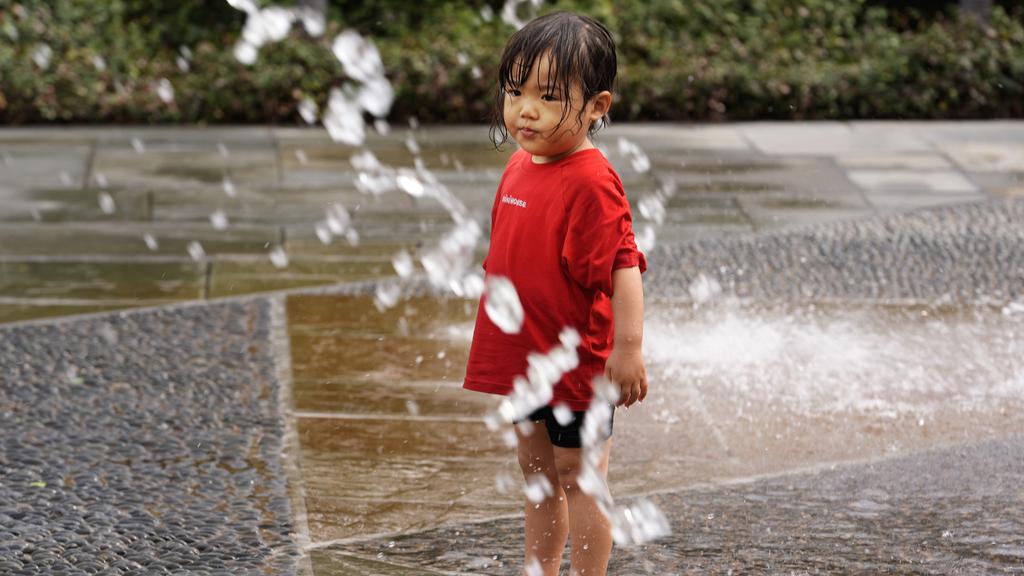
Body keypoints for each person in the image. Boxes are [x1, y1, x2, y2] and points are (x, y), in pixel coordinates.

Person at [463, 11, 648, 576]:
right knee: (537, 471)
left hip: (576, 362)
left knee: (579, 475)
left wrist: (628, 349)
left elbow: (623, 267)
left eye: (547, 95)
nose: (525, 108)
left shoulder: (591, 180)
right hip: (527, 358)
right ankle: (540, 568)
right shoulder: (521, 164)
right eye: (515, 91)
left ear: (597, 106)